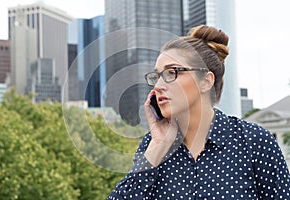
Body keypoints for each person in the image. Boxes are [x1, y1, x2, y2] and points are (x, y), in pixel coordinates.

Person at [107, 25, 290, 199]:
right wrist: (156, 150)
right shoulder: (152, 144)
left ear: (206, 81)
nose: (159, 85)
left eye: (172, 73)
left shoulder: (254, 142)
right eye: (157, 76)